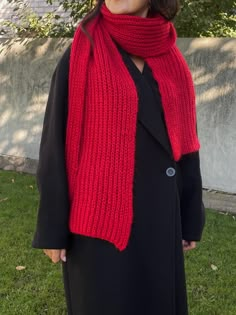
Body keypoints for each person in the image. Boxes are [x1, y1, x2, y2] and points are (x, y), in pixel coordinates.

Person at [32, 0, 206, 314]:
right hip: (97, 227)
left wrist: (190, 215)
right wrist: (52, 228)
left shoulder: (171, 57)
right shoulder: (81, 53)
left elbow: (186, 141)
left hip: (160, 219)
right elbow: (54, 143)